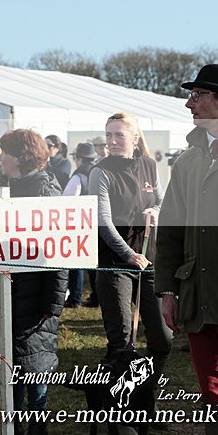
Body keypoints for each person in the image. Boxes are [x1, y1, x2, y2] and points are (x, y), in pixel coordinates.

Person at [155, 64, 218, 435]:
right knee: (215, 395)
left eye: (198, 95)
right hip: (199, 296)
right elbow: (170, 232)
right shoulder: (186, 161)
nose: (190, 104)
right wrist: (167, 291)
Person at [89, 112, 171, 412]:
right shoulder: (101, 172)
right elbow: (103, 221)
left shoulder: (149, 166)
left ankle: (149, 399)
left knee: (162, 338)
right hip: (115, 264)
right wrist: (127, 255)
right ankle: (120, 411)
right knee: (122, 342)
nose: (111, 141)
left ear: (134, 138)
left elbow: (163, 201)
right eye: (108, 135)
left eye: (118, 135)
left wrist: (156, 212)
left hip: (149, 261)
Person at [0, 129, 67, 435]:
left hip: (35, 301)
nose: (0, 157)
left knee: (34, 367)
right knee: (17, 367)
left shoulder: (45, 194)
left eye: (5, 152)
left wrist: (51, 306)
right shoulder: (15, 188)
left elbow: (59, 255)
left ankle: (36, 432)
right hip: (16, 295)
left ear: (21, 157)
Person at [62, 142, 97, 308]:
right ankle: (97, 296)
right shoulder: (99, 172)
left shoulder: (78, 176)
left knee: (77, 262)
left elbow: (68, 201)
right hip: (97, 222)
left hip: (80, 223)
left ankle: (75, 297)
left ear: (79, 158)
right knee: (94, 262)